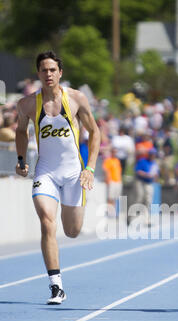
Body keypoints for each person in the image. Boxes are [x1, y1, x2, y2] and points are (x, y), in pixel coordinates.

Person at [15, 51, 101, 304]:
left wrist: (91, 168)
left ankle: (57, 280)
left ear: (60, 73)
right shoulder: (28, 104)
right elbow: (20, 131)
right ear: (38, 74)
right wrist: (21, 160)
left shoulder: (75, 98)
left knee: (72, 231)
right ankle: (56, 286)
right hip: (46, 172)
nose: (49, 74)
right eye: (44, 70)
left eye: (53, 70)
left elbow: (95, 132)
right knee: (46, 221)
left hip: (74, 174)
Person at [102, 147, 123, 213]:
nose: (115, 153)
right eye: (113, 152)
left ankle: (112, 211)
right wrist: (107, 179)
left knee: (115, 197)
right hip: (111, 181)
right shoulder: (108, 160)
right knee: (110, 197)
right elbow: (105, 170)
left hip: (118, 181)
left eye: (116, 152)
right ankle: (109, 211)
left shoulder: (117, 160)